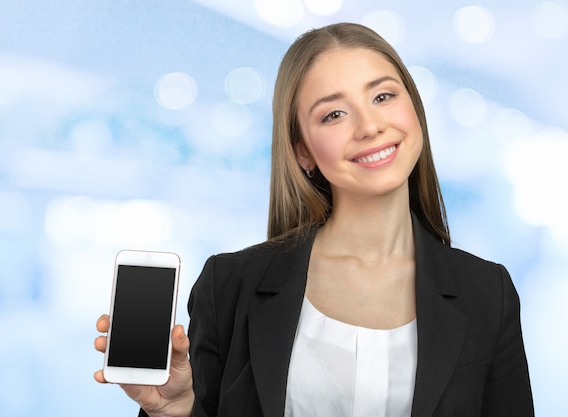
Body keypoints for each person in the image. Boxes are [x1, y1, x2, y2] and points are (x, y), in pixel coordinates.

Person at [94, 22, 534, 417]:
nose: (369, 126)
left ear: (414, 110)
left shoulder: (487, 293)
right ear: (302, 150)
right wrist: (177, 410)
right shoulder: (230, 285)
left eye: (383, 96)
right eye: (334, 114)